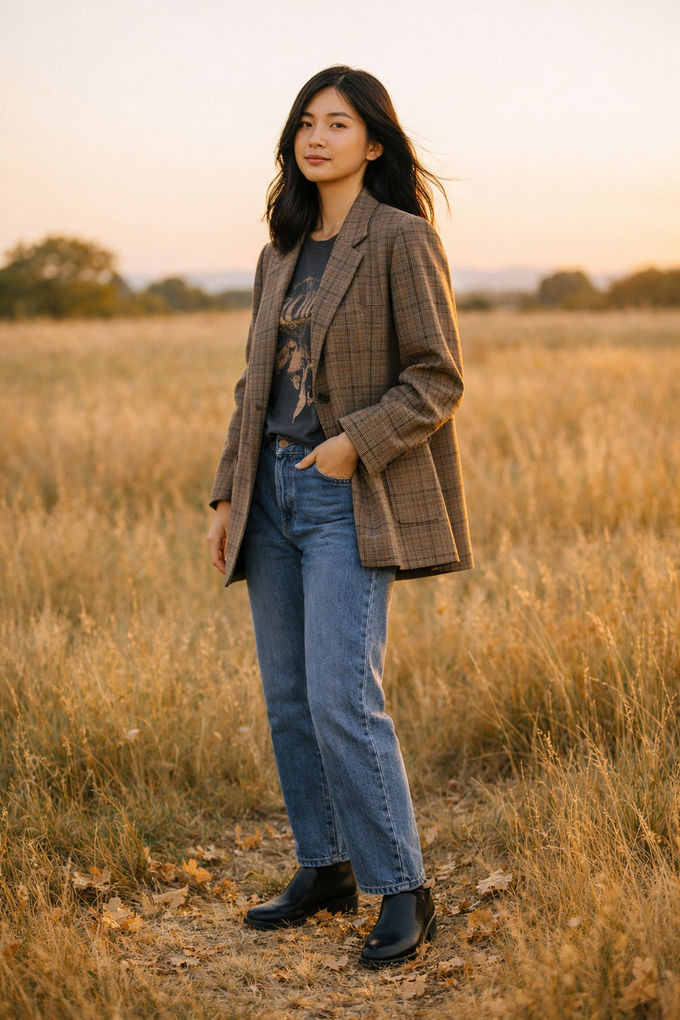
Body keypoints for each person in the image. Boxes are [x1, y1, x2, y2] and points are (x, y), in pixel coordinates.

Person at [207, 65, 473, 967]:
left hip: (342, 490)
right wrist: (223, 494)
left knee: (341, 695)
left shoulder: (399, 239)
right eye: (306, 123)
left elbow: (438, 376)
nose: (316, 138)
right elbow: (254, 386)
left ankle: (404, 886)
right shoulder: (279, 251)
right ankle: (324, 868)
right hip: (269, 495)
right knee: (288, 698)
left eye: (338, 124)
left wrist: (356, 442)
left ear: (375, 143)